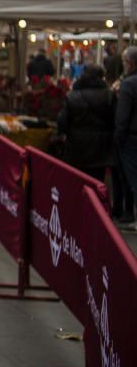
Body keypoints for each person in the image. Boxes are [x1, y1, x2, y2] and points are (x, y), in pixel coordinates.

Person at [57, 65, 115, 183]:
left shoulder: (72, 96)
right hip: (101, 147)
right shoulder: (109, 95)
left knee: (76, 181)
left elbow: (62, 120)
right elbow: (115, 119)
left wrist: (62, 134)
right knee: (97, 181)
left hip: (76, 146)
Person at [113, 46, 137, 231]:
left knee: (132, 178)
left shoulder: (128, 85)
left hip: (131, 137)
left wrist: (118, 137)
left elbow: (122, 116)